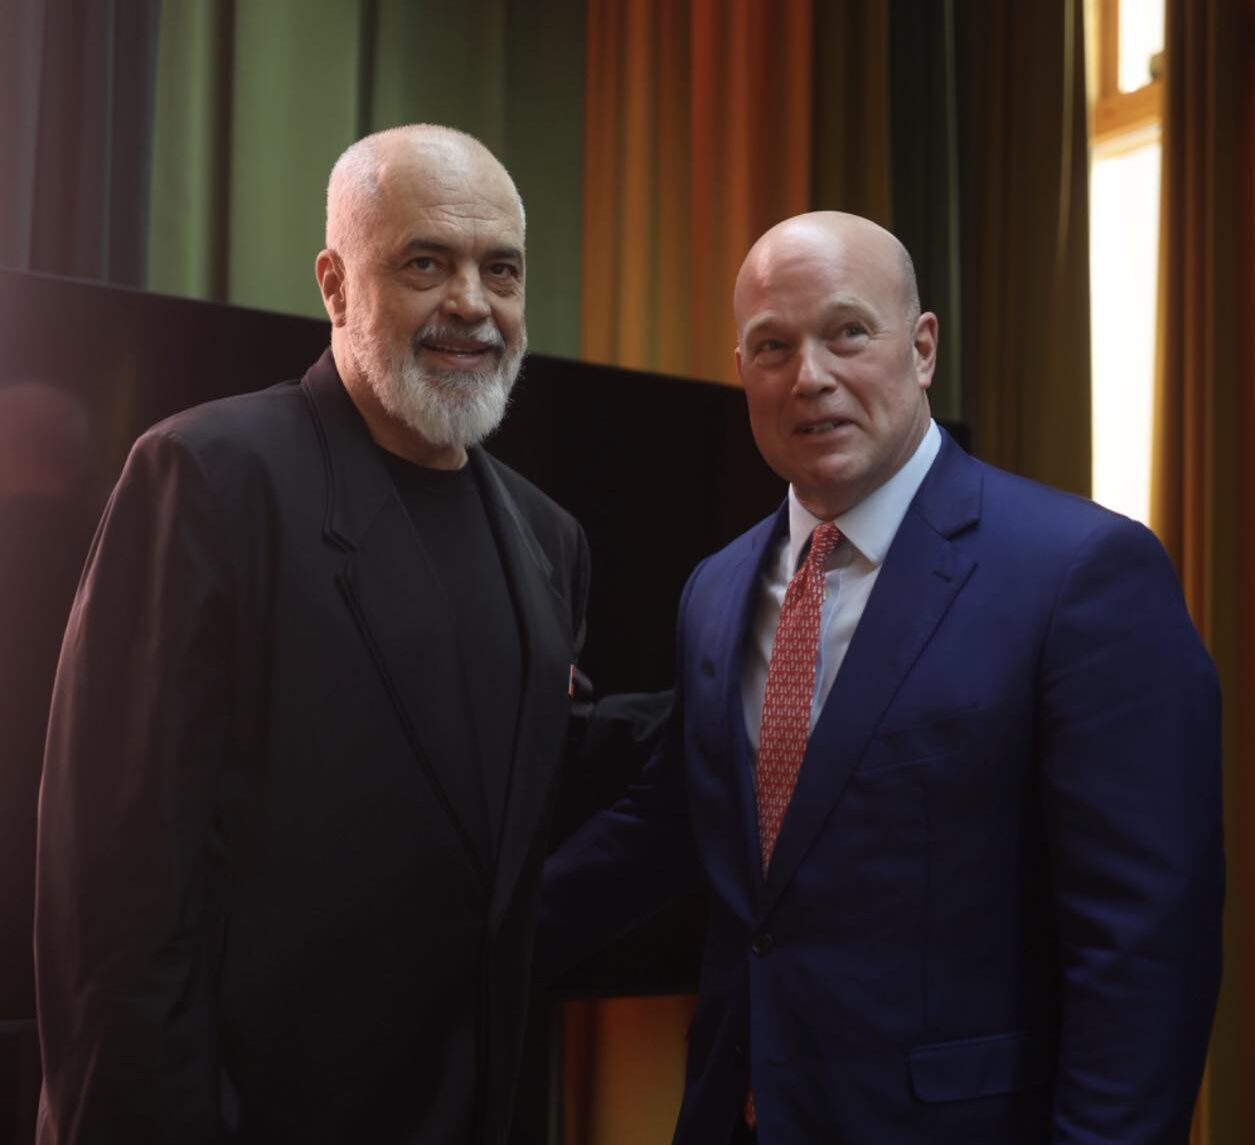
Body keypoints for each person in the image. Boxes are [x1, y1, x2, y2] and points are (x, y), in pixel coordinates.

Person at [540, 211, 1223, 1144]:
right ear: (742, 369)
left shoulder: (1082, 573)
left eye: (847, 332)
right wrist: (457, 948)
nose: (809, 375)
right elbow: (666, 827)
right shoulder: (716, 588)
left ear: (922, 347)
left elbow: (1144, 950)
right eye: (772, 346)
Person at [35, 124, 589, 1144]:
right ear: (335, 285)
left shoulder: (549, 539)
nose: (472, 302)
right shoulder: (207, 477)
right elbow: (117, 894)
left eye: (500, 269)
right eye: (426, 263)